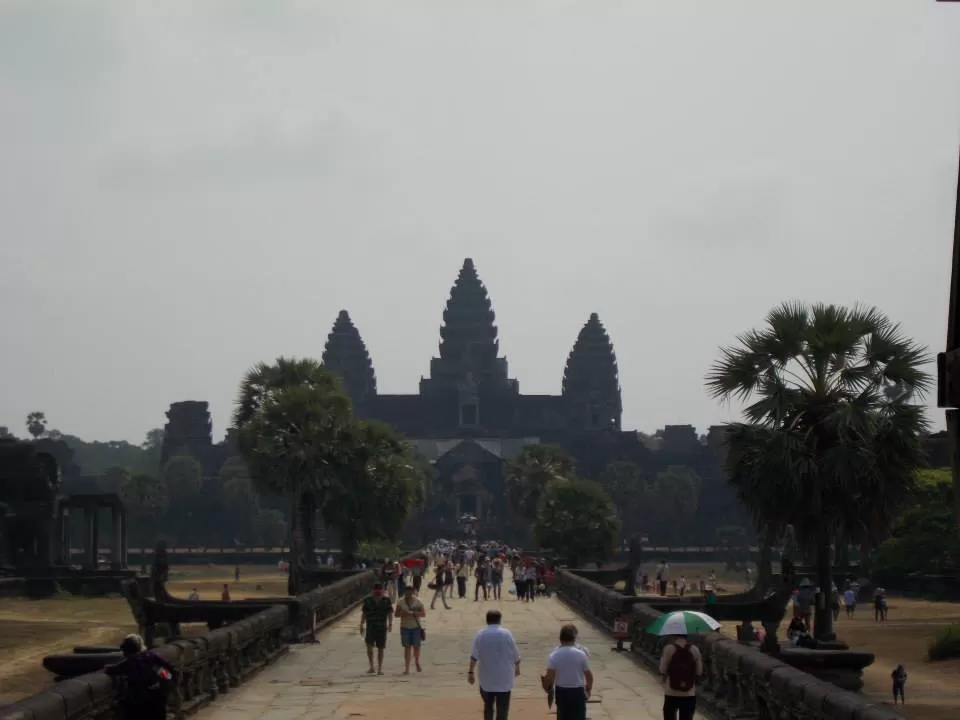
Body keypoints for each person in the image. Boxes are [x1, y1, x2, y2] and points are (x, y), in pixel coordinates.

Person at [104, 634, 176, 720]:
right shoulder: (151, 656)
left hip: (140, 701)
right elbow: (169, 669)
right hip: (157, 697)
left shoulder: (128, 663)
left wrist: (106, 667)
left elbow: (112, 670)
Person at [468, 610, 521, 720]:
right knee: (503, 710)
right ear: (499, 620)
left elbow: (474, 656)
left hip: (486, 678)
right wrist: (517, 667)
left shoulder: (481, 634)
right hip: (504, 678)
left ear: (487, 620)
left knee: (488, 707)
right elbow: (515, 653)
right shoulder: (507, 634)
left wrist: (471, 672)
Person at [541, 625, 593, 720]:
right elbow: (589, 676)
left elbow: (550, 678)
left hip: (562, 692)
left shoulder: (554, 655)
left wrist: (546, 686)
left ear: (560, 639)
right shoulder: (581, 654)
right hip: (578, 692)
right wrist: (588, 689)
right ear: (574, 639)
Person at [659, 631, 703, 720]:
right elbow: (699, 671)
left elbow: (662, 669)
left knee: (669, 716)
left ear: (674, 635)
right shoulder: (694, 649)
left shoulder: (669, 648)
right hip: (689, 691)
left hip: (671, 691)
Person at [359, 582, 393, 675]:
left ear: (382, 590)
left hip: (381, 627)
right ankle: (371, 666)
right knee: (369, 646)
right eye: (376, 589)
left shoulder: (386, 601)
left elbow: (390, 613)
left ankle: (380, 668)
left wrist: (390, 624)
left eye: (379, 589)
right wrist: (361, 624)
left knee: (381, 648)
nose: (378, 591)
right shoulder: (367, 600)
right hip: (370, 626)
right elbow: (364, 613)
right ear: (373, 590)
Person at [395, 585, 426, 674]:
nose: (408, 593)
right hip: (405, 627)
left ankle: (417, 661)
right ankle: (407, 667)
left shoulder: (418, 601)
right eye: (407, 591)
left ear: (413, 592)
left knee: (417, 646)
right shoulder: (401, 602)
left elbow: (423, 613)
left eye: (410, 591)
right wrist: (402, 613)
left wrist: (414, 613)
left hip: (416, 627)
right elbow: (396, 614)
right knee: (407, 647)